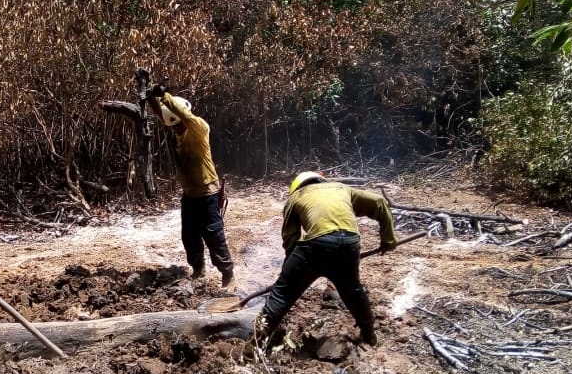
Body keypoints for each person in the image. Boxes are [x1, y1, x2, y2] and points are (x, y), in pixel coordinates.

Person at [256, 171, 397, 349]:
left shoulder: (295, 198)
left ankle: (256, 341)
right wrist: (388, 239)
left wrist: (289, 275)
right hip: (349, 243)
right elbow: (378, 202)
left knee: (282, 295)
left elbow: (290, 240)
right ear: (321, 180)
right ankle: (369, 335)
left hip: (316, 245)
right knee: (352, 290)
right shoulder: (341, 188)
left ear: (297, 187)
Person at [148, 84, 235, 288]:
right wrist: (152, 97)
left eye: (178, 125)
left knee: (214, 236)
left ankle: (228, 275)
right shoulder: (177, 131)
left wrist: (166, 96)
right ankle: (198, 270)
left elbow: (183, 116)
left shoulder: (198, 128)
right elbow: (164, 115)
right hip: (189, 195)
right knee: (189, 235)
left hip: (208, 194)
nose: (176, 128)